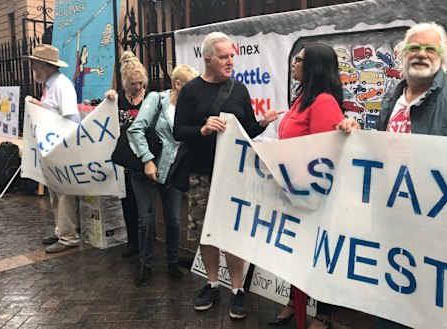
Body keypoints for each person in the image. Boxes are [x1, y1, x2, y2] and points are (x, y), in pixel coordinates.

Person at [337, 22, 447, 329]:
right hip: (391, 232)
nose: (422, 54)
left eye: (430, 49)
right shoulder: (389, 104)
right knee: (390, 312)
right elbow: (381, 157)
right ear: (402, 55)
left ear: (442, 58)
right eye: (415, 48)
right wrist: (356, 136)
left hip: (439, 235)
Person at [174, 31, 281, 319]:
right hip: (202, 174)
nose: (231, 61)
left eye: (232, 55)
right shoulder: (191, 91)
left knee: (234, 233)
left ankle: (237, 290)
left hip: (234, 176)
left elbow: (247, 131)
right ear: (208, 59)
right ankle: (211, 284)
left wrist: (262, 122)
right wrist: (203, 129)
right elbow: (178, 131)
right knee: (206, 234)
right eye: (224, 57)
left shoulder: (239, 89)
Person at [268, 44, 343, 329]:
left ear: (312, 67)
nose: (293, 64)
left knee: (316, 254)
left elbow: (322, 156)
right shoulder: (303, 99)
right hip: (293, 192)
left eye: (298, 60)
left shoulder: (324, 102)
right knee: (297, 253)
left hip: (312, 197)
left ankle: (323, 314)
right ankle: (293, 301)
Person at [125, 64, 199, 287]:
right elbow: (135, 129)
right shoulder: (157, 100)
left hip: (172, 170)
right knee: (146, 221)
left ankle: (172, 263)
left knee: (174, 220)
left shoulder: (191, 107)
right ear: (178, 84)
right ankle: (145, 266)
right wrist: (147, 160)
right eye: (190, 86)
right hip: (145, 170)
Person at [24, 44, 82, 253]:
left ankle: (68, 236)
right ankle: (62, 231)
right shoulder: (52, 84)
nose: (32, 67)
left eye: (34, 63)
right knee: (56, 192)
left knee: (63, 192)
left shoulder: (60, 85)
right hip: (52, 147)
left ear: (42, 64)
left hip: (59, 147)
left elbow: (72, 119)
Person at [105, 51, 147, 258]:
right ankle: (133, 242)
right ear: (125, 83)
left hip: (143, 157)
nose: (137, 87)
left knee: (144, 203)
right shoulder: (118, 99)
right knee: (127, 201)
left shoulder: (149, 98)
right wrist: (109, 98)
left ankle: (145, 242)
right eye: (133, 84)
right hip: (124, 158)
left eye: (140, 83)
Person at [74, 31, 104, 103]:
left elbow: (90, 70)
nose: (85, 57)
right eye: (84, 54)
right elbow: (77, 49)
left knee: (79, 100)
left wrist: (97, 70)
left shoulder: (83, 69)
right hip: (76, 86)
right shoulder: (78, 65)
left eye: (86, 55)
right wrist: (78, 36)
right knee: (76, 99)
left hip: (80, 87)